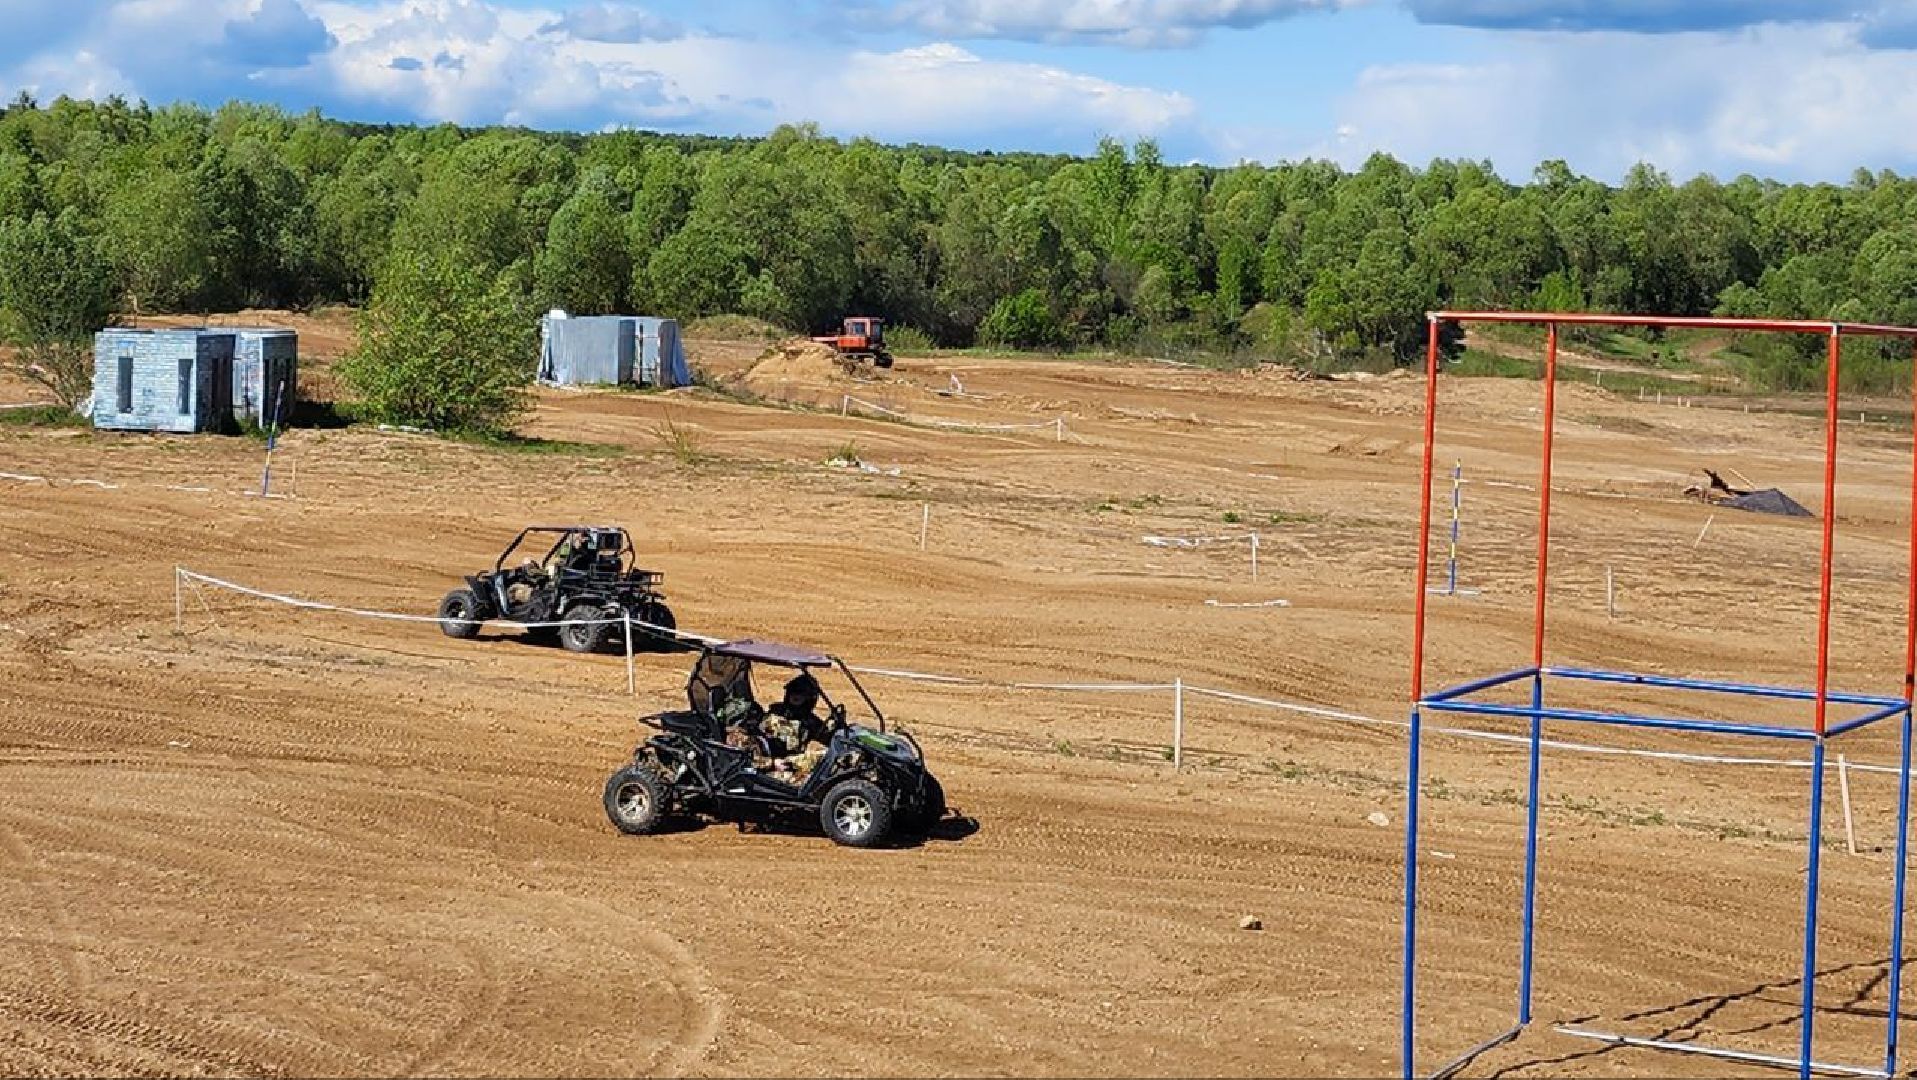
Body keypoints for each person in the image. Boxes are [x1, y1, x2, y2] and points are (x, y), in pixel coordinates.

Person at [760, 674, 831, 782]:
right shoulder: (775, 715)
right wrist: (773, 762)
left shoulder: (810, 721)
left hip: (790, 764)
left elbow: (825, 737)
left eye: (800, 695)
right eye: (793, 693)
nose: (795, 697)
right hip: (772, 768)